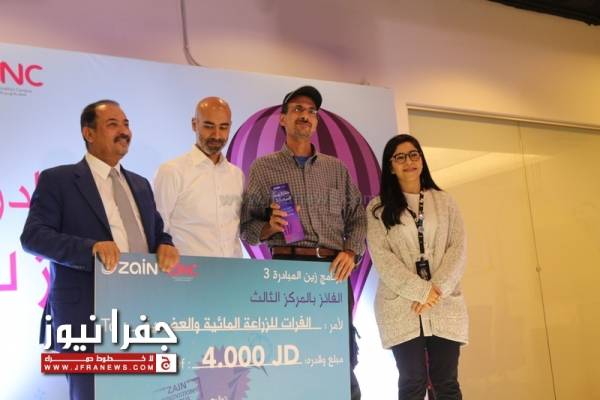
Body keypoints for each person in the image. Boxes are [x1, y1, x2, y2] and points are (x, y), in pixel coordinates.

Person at [20, 99, 180, 400]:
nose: (124, 131)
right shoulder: (59, 180)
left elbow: (157, 232)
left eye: (126, 124)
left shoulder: (141, 184)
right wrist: (90, 248)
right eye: (113, 124)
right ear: (89, 133)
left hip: (142, 315)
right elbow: (33, 236)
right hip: (86, 315)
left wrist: (166, 245)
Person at [240, 85, 366, 400]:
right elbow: (246, 227)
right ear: (282, 119)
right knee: (291, 357)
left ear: (316, 122)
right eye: (297, 109)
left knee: (341, 357)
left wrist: (352, 251)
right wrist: (269, 227)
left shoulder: (336, 169)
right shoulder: (263, 168)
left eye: (311, 111)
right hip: (287, 269)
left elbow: (358, 218)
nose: (305, 115)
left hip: (332, 270)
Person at [366, 134, 468, 400]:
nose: (408, 161)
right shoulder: (377, 208)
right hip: (401, 305)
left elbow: (458, 249)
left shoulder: (445, 202)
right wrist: (421, 292)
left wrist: (436, 290)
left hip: (443, 302)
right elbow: (383, 259)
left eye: (413, 154)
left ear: (421, 160)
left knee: (446, 382)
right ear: (390, 166)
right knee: (413, 382)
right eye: (400, 157)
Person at [154, 97, 243, 257]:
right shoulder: (172, 171)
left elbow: (234, 233)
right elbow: (158, 228)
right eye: (209, 126)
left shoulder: (237, 175)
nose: (217, 135)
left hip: (232, 269)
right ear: (194, 124)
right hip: (186, 270)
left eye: (223, 127)